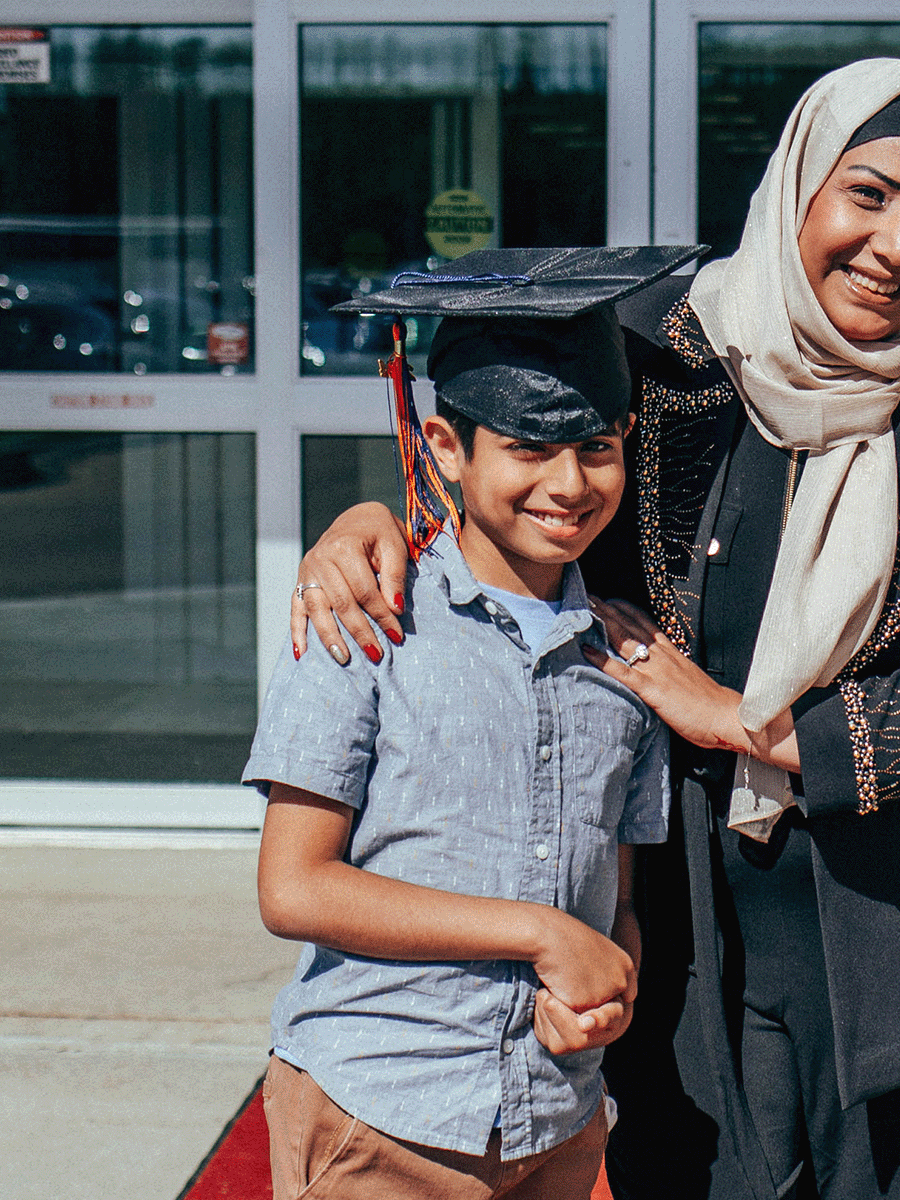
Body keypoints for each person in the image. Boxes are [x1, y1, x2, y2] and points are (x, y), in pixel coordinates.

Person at [291, 60, 900, 1200]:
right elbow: (527, 490)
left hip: (896, 942)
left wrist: (751, 723)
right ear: (798, 183)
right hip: (684, 925)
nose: (898, 245)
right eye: (867, 193)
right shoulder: (665, 347)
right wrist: (375, 524)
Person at [246, 247, 700, 1200]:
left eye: (596, 447)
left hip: (557, 1121)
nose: (568, 484)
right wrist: (537, 933)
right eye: (529, 450)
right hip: (382, 1111)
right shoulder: (363, 618)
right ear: (449, 451)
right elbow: (293, 887)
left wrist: (605, 993)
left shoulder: (624, 667)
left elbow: (612, 903)